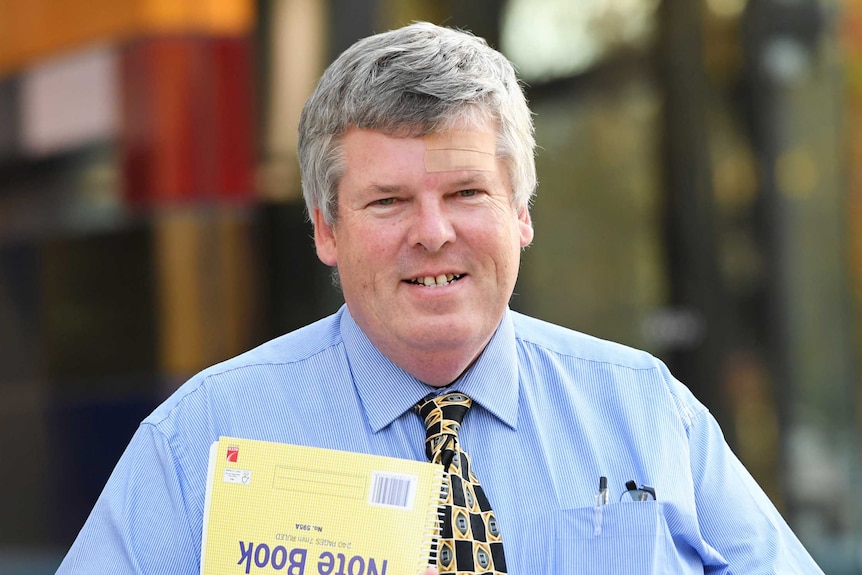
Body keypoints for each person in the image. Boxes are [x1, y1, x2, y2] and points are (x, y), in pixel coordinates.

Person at [57, 21, 823, 574]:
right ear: (327, 230)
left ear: (520, 213)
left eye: (466, 192)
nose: (432, 233)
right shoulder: (205, 437)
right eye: (388, 201)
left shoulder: (648, 410)